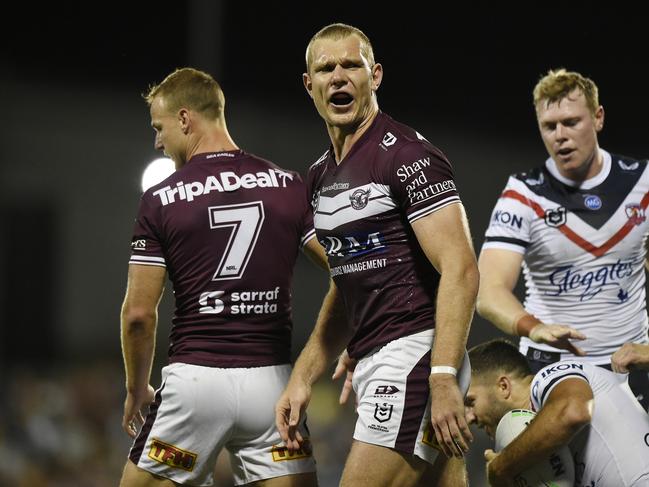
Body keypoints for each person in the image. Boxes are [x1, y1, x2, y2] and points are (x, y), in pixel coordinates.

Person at [274, 23, 479, 487]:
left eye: (351, 65)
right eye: (326, 68)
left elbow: (461, 268)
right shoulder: (320, 176)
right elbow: (348, 284)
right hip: (378, 357)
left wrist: (442, 375)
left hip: (414, 355)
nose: (338, 76)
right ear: (310, 84)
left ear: (376, 75)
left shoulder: (407, 155)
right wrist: (304, 375)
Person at [119, 67, 325, 487]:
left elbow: (139, 314)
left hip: (196, 384)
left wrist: (136, 387)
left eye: (159, 128)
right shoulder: (289, 185)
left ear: (184, 119)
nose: (157, 141)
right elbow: (347, 270)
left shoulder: (161, 199)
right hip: (273, 389)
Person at [477, 68, 649, 409]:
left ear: (598, 118)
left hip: (633, 365)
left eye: (571, 122)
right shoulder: (524, 195)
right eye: (549, 126)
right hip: (551, 366)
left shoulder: (642, 183)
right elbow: (488, 290)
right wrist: (533, 327)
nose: (560, 136)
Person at [465, 339, 649, 486]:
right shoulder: (547, 439)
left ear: (503, 386)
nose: (469, 418)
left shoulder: (549, 377)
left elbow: (573, 412)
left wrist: (501, 467)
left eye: (471, 401)